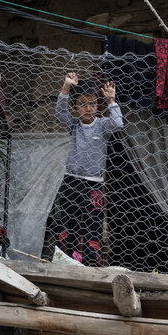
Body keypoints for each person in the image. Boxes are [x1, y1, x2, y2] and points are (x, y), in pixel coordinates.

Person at [52, 72, 123, 265]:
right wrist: (66, 88)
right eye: (83, 104)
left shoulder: (102, 125)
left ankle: (92, 265)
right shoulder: (74, 125)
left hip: (94, 186)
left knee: (94, 226)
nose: (88, 108)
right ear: (76, 107)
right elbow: (60, 113)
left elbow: (118, 123)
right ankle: (64, 261)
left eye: (92, 103)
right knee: (67, 223)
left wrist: (111, 101)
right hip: (71, 181)